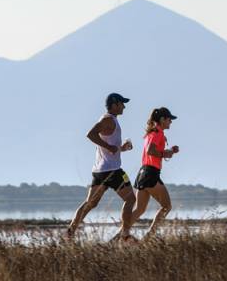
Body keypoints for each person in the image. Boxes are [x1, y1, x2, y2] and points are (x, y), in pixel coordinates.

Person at [65, 93, 135, 239]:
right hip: (113, 171)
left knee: (90, 203)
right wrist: (109, 147)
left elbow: (111, 147)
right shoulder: (108, 119)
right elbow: (90, 134)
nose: (124, 106)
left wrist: (122, 148)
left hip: (101, 170)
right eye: (122, 103)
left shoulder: (111, 120)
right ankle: (125, 235)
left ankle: (69, 233)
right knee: (131, 200)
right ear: (114, 104)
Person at [128, 107, 179, 239]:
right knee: (167, 206)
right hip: (150, 173)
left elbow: (152, 152)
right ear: (162, 120)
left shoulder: (152, 132)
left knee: (139, 209)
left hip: (143, 172)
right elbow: (151, 151)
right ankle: (148, 238)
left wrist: (169, 152)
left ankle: (120, 235)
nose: (171, 122)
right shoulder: (158, 132)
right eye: (169, 119)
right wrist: (164, 153)